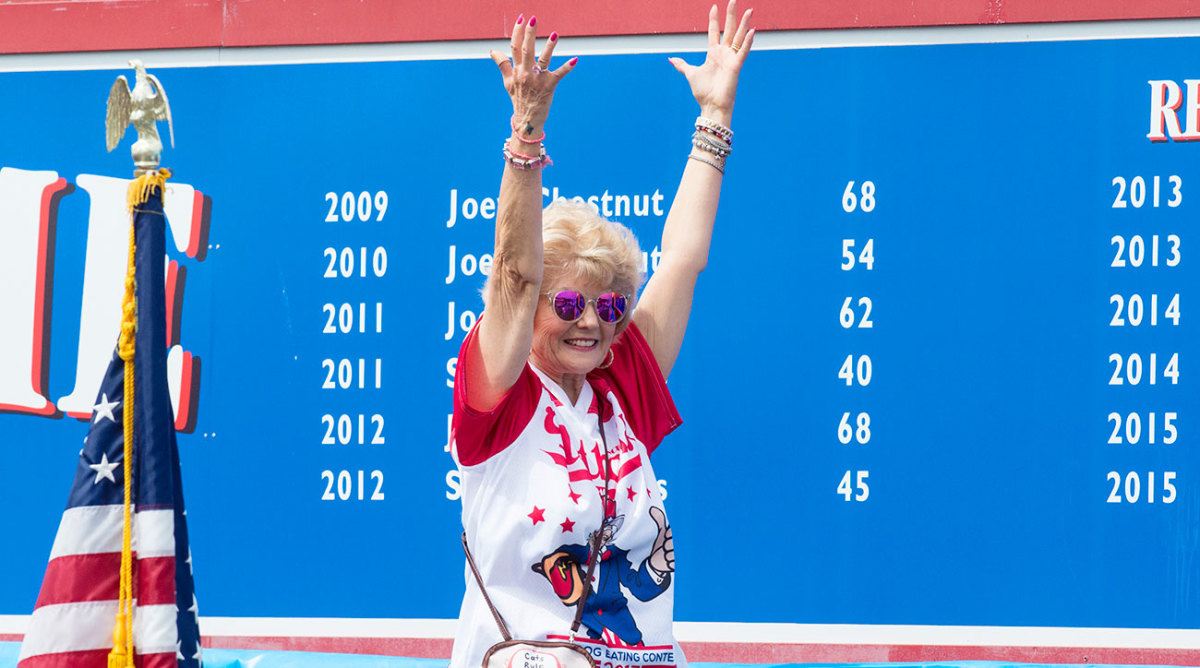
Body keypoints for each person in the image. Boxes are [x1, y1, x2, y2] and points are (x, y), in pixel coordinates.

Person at [450, 4, 754, 667]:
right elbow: (512, 273)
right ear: (532, 310)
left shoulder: (622, 386)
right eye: (567, 302)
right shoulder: (504, 393)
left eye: (610, 304)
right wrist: (527, 131)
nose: (592, 320)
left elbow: (682, 258)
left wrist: (715, 119)